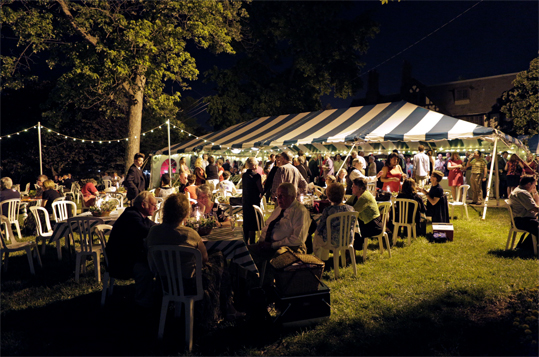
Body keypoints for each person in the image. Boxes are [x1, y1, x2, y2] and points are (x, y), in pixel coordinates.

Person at [146, 193, 243, 324]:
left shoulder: (153, 231)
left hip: (164, 282)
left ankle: (224, 307)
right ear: (185, 213)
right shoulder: (190, 233)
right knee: (219, 258)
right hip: (190, 284)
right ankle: (226, 307)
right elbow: (204, 259)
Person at [248, 183, 311, 285]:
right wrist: (262, 242)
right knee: (244, 251)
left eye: (282, 196)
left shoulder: (300, 212)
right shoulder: (279, 209)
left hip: (292, 247)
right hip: (271, 244)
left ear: (292, 197)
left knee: (278, 256)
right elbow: (267, 226)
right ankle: (248, 284)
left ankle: (269, 287)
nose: (279, 199)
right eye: (278, 196)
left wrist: (272, 245)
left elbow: (297, 239)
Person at [106, 191, 157, 308]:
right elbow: (146, 230)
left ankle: (153, 295)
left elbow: (153, 226)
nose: (156, 207)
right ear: (143, 205)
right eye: (153, 204)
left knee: (155, 263)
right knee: (148, 268)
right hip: (120, 262)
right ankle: (143, 303)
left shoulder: (138, 215)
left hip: (128, 256)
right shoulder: (132, 216)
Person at [313, 183, 355, 260]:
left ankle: (319, 259)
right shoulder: (351, 209)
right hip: (347, 239)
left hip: (331, 241)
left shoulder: (328, 210)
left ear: (329, 196)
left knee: (317, 235)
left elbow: (320, 227)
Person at [345, 178, 383, 250]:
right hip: (365, 223)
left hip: (374, 225)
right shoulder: (356, 195)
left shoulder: (365, 197)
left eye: (354, 186)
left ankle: (351, 253)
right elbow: (347, 205)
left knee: (352, 231)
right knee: (350, 228)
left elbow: (353, 211)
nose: (351, 187)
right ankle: (350, 252)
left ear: (361, 188)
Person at [508, 175, 539, 251]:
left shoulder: (520, 190)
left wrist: (535, 192)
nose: (535, 186)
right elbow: (534, 208)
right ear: (529, 184)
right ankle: (526, 248)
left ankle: (526, 247)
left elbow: (536, 205)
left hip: (525, 218)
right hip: (523, 220)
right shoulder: (522, 193)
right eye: (534, 184)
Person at [241, 157, 264, 244]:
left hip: (246, 200)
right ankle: (252, 242)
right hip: (254, 201)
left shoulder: (244, 175)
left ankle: (245, 241)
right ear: (254, 165)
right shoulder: (257, 176)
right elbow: (260, 190)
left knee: (246, 222)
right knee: (253, 224)